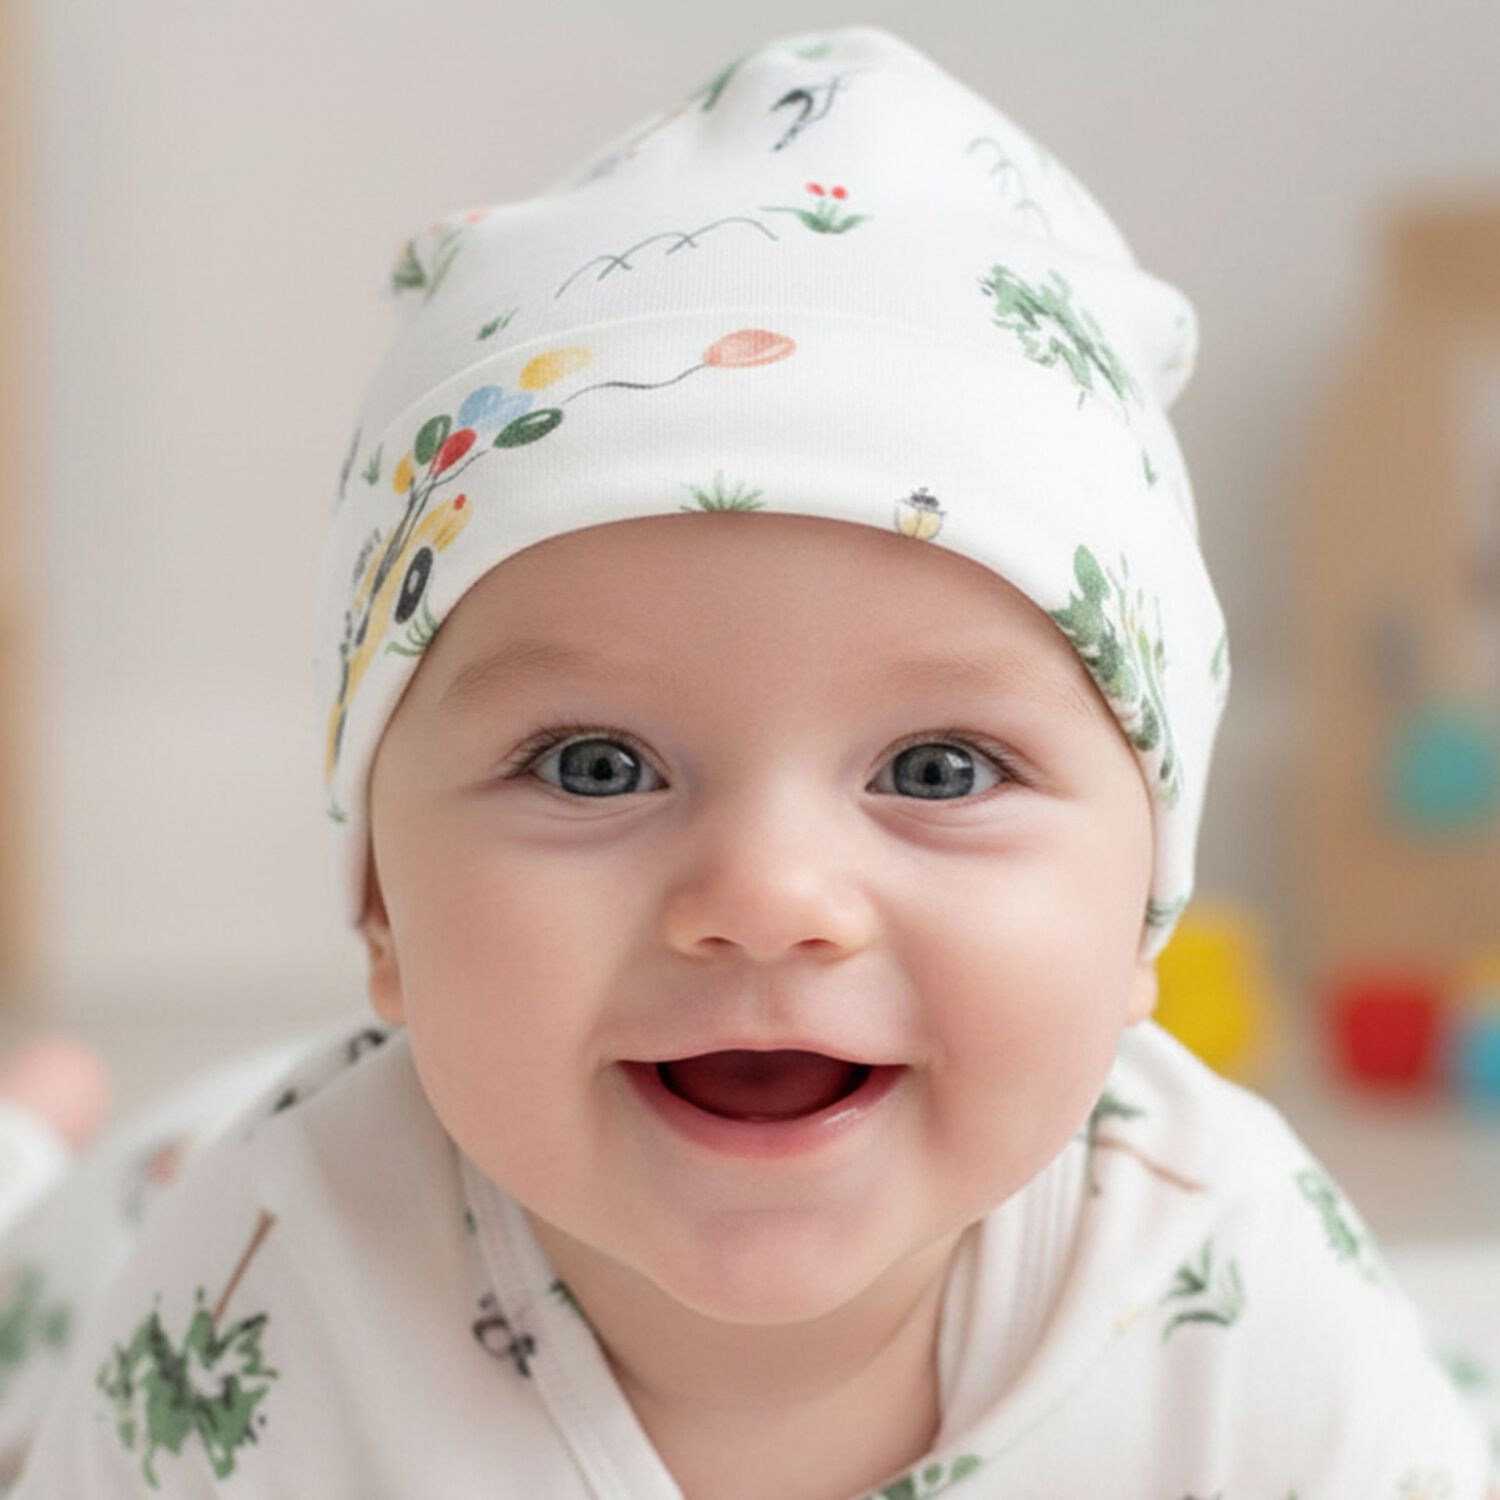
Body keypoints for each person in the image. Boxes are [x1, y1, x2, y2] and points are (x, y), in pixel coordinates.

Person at [0, 22, 1493, 1498]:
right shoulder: (265, 1276)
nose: (769, 899)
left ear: (1141, 921)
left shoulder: (1230, 1268)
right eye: (593, 765)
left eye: (940, 771)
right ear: (381, 904)